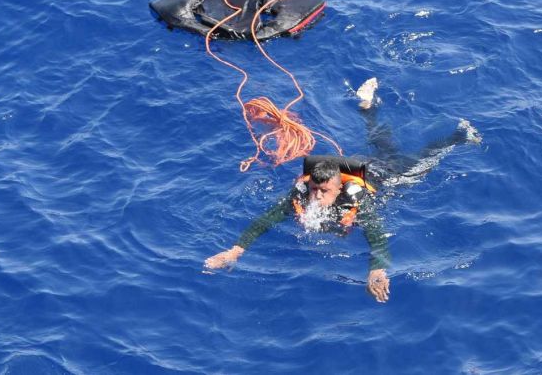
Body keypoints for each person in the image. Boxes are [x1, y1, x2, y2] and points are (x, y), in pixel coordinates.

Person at [204, 78, 482, 303]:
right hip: (358, 166)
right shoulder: (302, 194)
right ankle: (368, 109)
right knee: (383, 146)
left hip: (383, 176)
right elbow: (265, 220)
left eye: (323, 192)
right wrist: (235, 251)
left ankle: (459, 136)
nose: (316, 196)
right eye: (314, 189)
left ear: (338, 190)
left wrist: (376, 270)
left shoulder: (356, 200)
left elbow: (376, 235)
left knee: (422, 163)